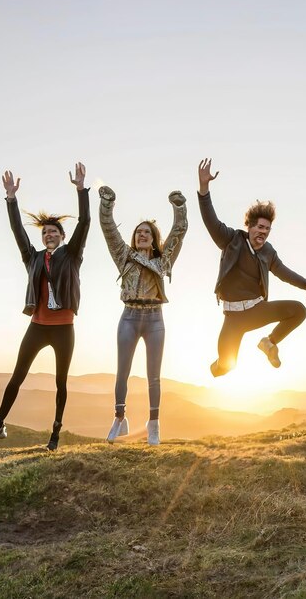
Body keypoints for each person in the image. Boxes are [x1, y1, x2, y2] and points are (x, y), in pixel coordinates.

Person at [0, 163, 90, 450]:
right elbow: (17, 231)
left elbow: (85, 222)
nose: (49, 235)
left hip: (64, 328)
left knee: (61, 383)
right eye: (45, 233)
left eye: (54, 231)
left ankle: (55, 434)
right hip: (38, 327)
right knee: (17, 376)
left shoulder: (72, 255)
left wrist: (80, 190)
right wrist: (11, 199)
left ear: (62, 236)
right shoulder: (34, 258)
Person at [197, 158, 306, 377]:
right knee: (225, 366)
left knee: (298, 311)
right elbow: (210, 221)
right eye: (260, 227)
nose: (263, 232)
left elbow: (285, 273)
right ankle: (217, 365)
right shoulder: (231, 240)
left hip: (256, 310)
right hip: (232, 318)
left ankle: (269, 342)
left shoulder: (268, 252)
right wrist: (204, 189)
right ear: (250, 227)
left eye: (268, 229)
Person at [98, 185, 187, 445]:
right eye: (138, 232)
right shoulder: (124, 257)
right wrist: (107, 202)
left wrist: (179, 206)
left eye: (147, 232)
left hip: (155, 319)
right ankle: (119, 418)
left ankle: (154, 424)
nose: (142, 235)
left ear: (154, 237)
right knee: (122, 372)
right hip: (129, 316)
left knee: (154, 375)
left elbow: (179, 232)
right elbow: (108, 228)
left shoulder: (163, 261)